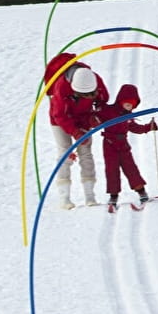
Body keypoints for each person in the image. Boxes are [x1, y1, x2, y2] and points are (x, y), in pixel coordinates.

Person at [49, 64, 109, 209]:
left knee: (86, 153)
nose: (89, 97)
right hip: (60, 120)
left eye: (91, 94)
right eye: (85, 95)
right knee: (65, 153)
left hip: (83, 118)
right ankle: (65, 198)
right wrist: (75, 132)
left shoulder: (95, 80)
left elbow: (103, 100)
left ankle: (90, 196)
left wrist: (95, 117)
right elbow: (60, 115)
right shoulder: (61, 86)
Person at [99, 83, 157, 209]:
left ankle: (142, 193)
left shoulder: (128, 116)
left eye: (132, 104)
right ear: (120, 100)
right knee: (111, 170)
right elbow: (96, 117)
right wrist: (94, 117)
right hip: (109, 145)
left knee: (131, 169)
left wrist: (148, 127)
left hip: (123, 145)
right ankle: (113, 197)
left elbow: (135, 128)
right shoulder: (108, 111)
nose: (129, 105)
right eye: (126, 102)